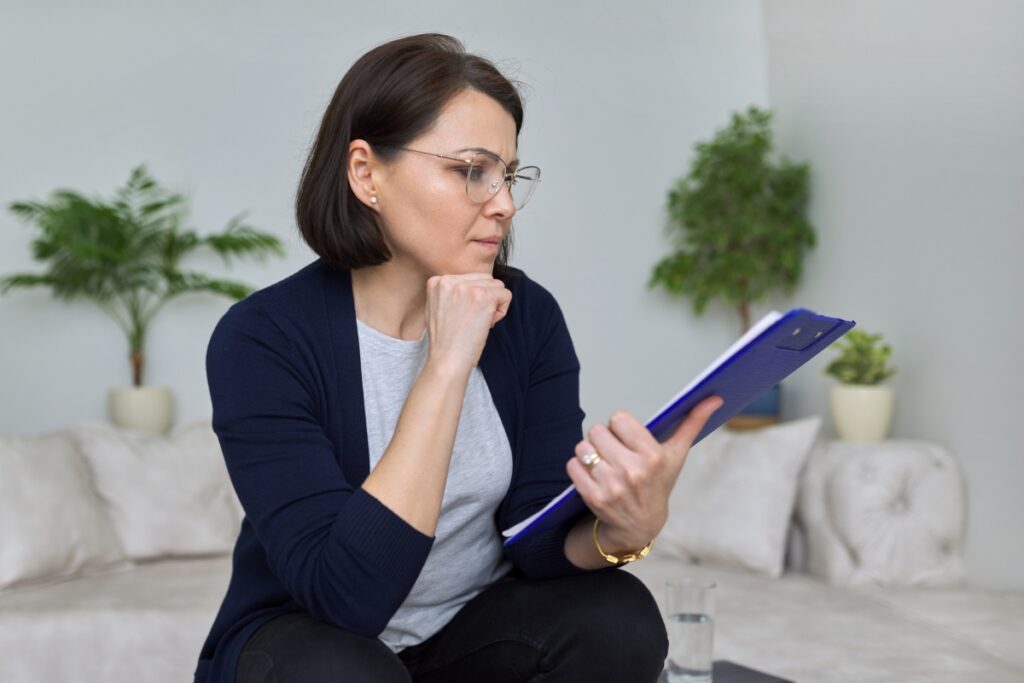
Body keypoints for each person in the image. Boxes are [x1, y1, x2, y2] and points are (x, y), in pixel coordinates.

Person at [193, 32, 724, 683]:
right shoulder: (262, 338)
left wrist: (620, 534)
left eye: (508, 174)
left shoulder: (526, 314)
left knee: (620, 615)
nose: (501, 202)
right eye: (471, 170)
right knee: (341, 671)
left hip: (467, 634)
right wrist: (445, 364)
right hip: (311, 641)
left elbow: (538, 540)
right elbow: (345, 596)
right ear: (366, 173)